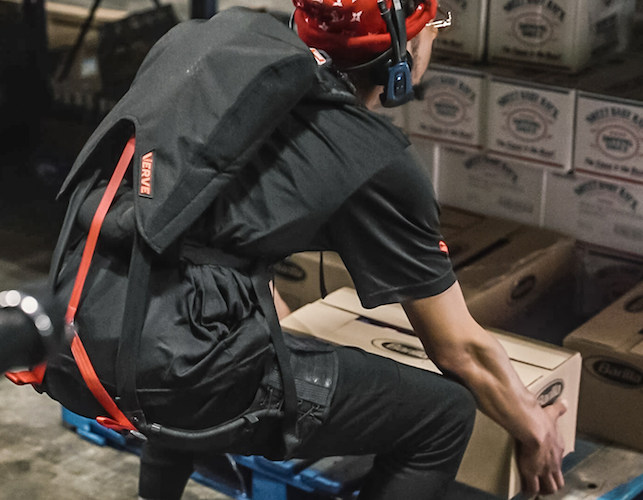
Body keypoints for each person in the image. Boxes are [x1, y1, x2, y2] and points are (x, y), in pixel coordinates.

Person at [8, 1, 567, 498]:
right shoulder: (368, 154)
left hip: (71, 331)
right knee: (443, 417)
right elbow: (460, 350)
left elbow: (190, 217)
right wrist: (535, 427)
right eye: (433, 25)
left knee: (188, 338)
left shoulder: (220, 50)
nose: (436, 37)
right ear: (401, 49)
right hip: (173, 375)